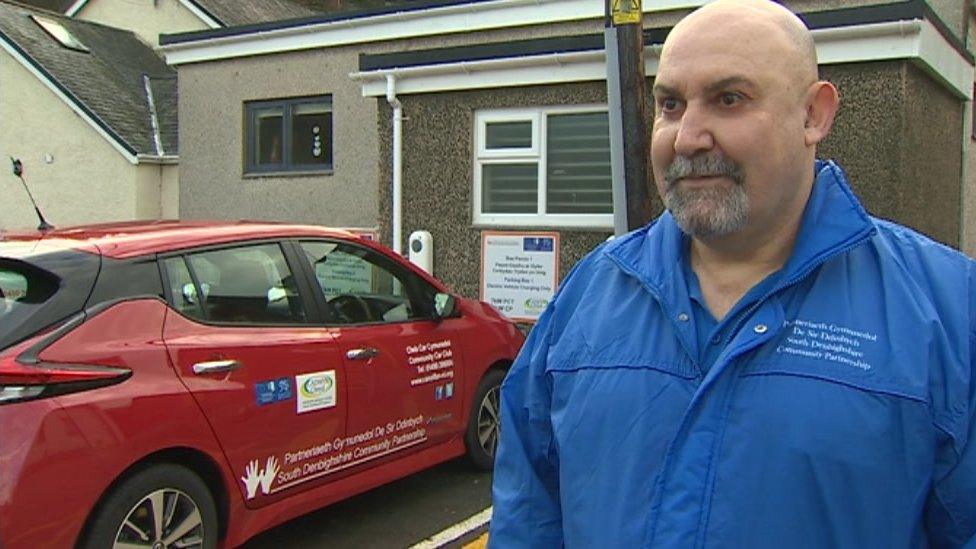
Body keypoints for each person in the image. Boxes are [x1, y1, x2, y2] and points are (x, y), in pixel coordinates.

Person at [488, 0, 976, 547]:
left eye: (729, 99)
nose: (688, 137)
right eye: (670, 104)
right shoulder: (588, 295)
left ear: (813, 115)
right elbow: (529, 514)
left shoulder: (949, 311)